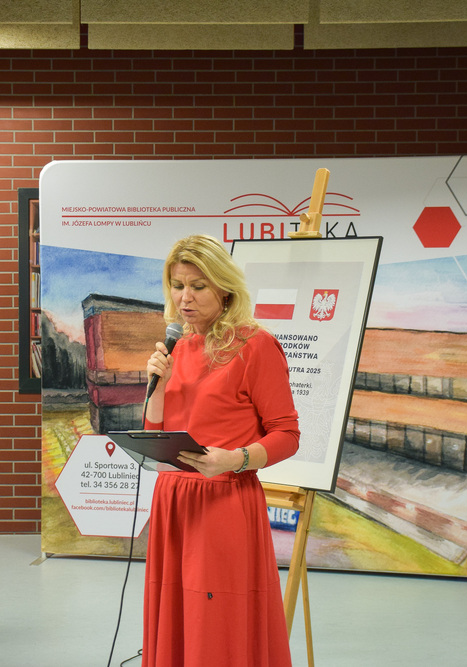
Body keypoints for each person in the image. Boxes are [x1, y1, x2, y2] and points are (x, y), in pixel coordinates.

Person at [143, 234, 300, 667]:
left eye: (198, 286)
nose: (185, 298)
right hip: (173, 500)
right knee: (177, 617)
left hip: (223, 501)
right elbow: (156, 432)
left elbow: (287, 434)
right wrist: (158, 386)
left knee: (216, 622)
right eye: (177, 286)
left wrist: (235, 459)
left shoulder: (255, 346)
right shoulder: (176, 346)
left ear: (225, 289)